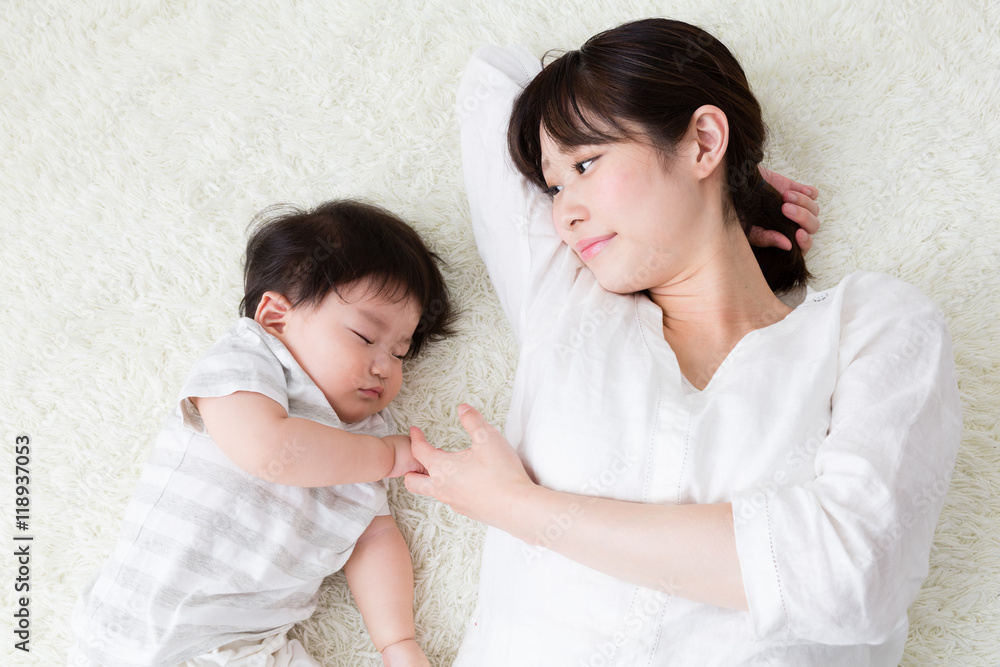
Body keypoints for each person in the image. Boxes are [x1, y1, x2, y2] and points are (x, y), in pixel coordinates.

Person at [404, 18, 961, 666]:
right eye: (554, 185)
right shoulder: (564, 299)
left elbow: (851, 577)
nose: (564, 210)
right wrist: (733, 183)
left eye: (586, 163)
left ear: (703, 139)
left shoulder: (876, 325)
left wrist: (520, 508)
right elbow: (491, 78)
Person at [69, 200, 453, 667]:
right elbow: (267, 448)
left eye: (399, 352)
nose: (383, 366)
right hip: (143, 623)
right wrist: (385, 459)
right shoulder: (252, 360)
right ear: (275, 318)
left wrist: (398, 642)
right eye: (365, 336)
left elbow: (373, 538)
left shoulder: (369, 437)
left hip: (247, 646)